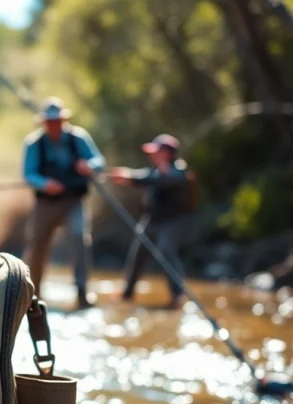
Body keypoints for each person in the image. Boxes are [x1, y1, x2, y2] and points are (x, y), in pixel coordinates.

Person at [22, 97, 106, 309]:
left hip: (73, 201)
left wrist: (89, 166)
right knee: (37, 245)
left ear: (63, 120)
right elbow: (28, 174)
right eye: (50, 121)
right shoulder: (33, 144)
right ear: (43, 123)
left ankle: (82, 292)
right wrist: (45, 183)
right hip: (46, 204)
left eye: (57, 120)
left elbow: (99, 161)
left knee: (79, 238)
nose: (54, 125)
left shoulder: (79, 138)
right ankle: (32, 294)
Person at [109, 134, 193, 308]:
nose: (152, 155)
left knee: (167, 252)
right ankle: (127, 292)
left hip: (170, 222)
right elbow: (145, 176)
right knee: (138, 254)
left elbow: (162, 180)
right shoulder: (155, 169)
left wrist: (132, 177)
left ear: (167, 153)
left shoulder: (179, 171)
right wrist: (127, 176)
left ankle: (177, 295)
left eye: (156, 152)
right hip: (151, 220)